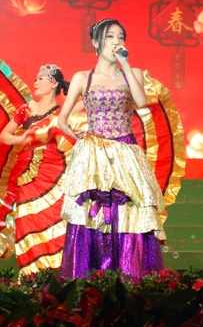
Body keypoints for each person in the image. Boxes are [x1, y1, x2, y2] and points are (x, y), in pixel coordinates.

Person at [58, 18, 165, 278]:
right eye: (109, 37)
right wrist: (70, 130)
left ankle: (130, 274)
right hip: (93, 154)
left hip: (125, 151)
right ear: (96, 42)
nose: (116, 42)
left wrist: (125, 64)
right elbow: (62, 118)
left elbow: (141, 101)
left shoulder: (133, 72)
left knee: (130, 212)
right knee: (91, 212)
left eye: (120, 37)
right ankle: (90, 276)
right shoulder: (82, 77)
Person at [0, 64, 74, 277]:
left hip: (56, 174)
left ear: (54, 83)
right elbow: (4, 136)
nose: (36, 82)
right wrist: (21, 139)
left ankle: (60, 274)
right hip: (27, 174)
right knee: (27, 219)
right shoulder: (26, 110)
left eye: (41, 78)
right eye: (36, 78)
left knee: (57, 221)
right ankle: (31, 274)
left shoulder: (62, 113)